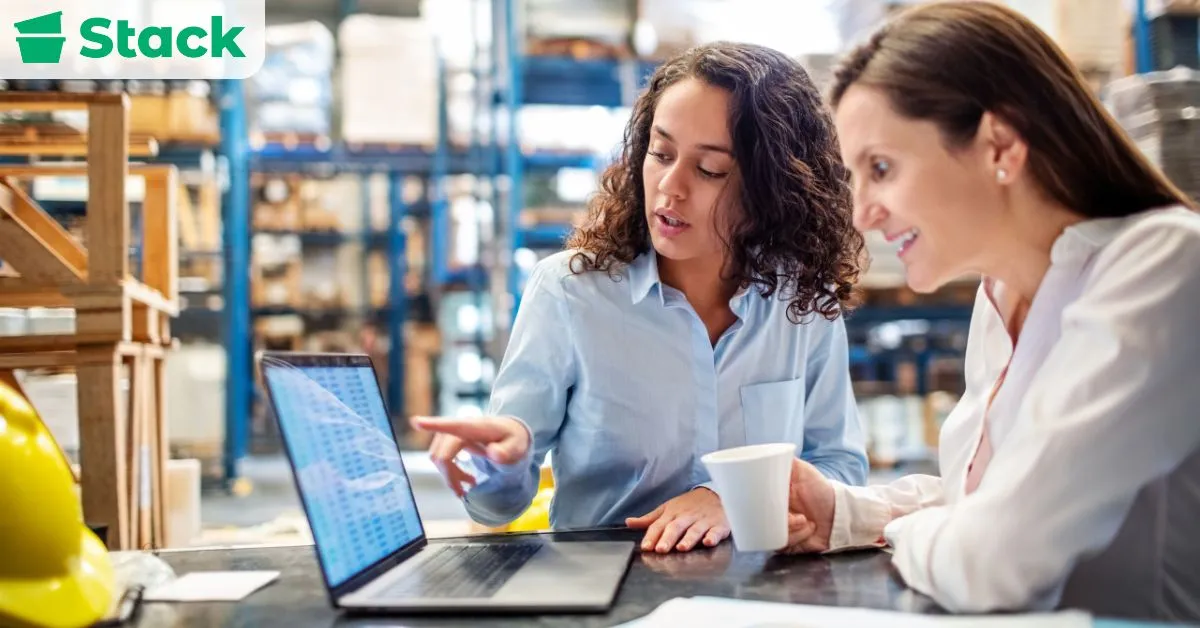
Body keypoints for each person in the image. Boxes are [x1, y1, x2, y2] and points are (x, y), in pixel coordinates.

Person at [781, 1, 1200, 621]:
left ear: (1000, 145)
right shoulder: (999, 295)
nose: (861, 213)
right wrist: (846, 513)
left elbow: (991, 561)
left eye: (883, 168)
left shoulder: (1163, 265)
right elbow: (991, 498)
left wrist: (903, 533)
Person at [415, 41, 869, 554]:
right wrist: (502, 463)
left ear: (773, 188)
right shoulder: (570, 293)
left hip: (760, 587)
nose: (670, 187)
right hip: (608, 588)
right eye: (661, 152)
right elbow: (497, 508)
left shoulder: (803, 302)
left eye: (710, 170)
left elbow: (841, 468)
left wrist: (730, 498)